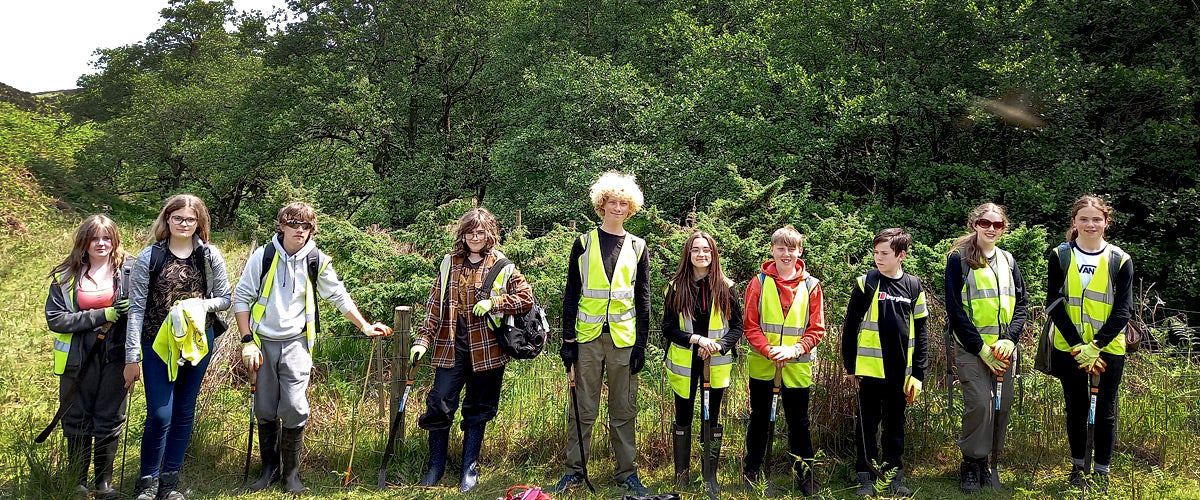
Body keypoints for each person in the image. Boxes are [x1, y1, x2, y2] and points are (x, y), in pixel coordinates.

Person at [233, 202, 394, 494]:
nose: (300, 230)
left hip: (296, 342)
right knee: (265, 408)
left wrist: (365, 326)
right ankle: (269, 470)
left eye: (306, 226)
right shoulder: (263, 256)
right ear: (281, 225)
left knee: (294, 406)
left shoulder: (316, 259)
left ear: (312, 229)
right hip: (261, 342)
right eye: (293, 224)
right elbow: (241, 298)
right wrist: (247, 341)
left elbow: (339, 296)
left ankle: (290, 475)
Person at [409, 207, 534, 493]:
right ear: (462, 235)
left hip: (488, 350)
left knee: (479, 409)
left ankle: (469, 468)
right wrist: (422, 340)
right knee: (439, 403)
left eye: (480, 233)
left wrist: (496, 303)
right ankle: (436, 467)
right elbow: (433, 305)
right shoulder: (449, 263)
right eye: (470, 233)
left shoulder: (502, 265)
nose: (475, 238)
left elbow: (526, 298)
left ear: (489, 234)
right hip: (450, 347)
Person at [124, 194, 231, 500]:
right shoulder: (150, 257)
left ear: (200, 222)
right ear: (167, 219)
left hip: (197, 342)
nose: (184, 224)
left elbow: (225, 298)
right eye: (178, 218)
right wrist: (132, 357)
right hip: (156, 343)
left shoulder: (209, 255)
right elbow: (136, 308)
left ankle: (169, 484)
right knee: (160, 414)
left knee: (184, 411)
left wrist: (200, 305)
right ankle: (147, 483)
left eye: (190, 219)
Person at [553, 172, 652, 495]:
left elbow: (644, 299)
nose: (618, 208)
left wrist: (641, 345)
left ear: (631, 207)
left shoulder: (638, 247)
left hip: (624, 340)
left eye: (624, 203)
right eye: (612, 202)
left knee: (623, 410)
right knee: (583, 409)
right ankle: (574, 471)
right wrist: (568, 342)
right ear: (602, 204)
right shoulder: (583, 243)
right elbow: (571, 294)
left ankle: (626, 473)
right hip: (587, 339)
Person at [1046, 195, 1133, 493]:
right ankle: (1077, 467)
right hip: (1069, 348)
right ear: (1074, 222)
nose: (1090, 224)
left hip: (1108, 349)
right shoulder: (1060, 255)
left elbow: (1124, 308)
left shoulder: (1120, 260)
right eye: (1084, 219)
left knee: (1106, 410)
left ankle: (1102, 472)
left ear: (1106, 222)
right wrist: (1077, 345)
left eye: (1097, 219)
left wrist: (1096, 345)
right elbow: (1054, 303)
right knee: (1077, 408)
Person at [44, 215, 134, 500]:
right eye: (94, 238)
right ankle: (78, 482)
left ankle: (103, 484)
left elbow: (145, 309)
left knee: (110, 416)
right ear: (84, 241)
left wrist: (135, 307)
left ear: (115, 241)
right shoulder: (66, 275)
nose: (101, 244)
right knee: (76, 417)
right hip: (77, 356)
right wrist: (101, 315)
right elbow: (56, 319)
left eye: (107, 238)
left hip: (117, 353)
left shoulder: (130, 270)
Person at [943, 202, 1028, 493]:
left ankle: (990, 463)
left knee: (1000, 407)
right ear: (974, 224)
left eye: (997, 224)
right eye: (985, 223)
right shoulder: (958, 259)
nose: (991, 229)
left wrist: (1010, 340)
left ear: (1004, 228)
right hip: (972, 347)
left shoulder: (1008, 260)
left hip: (1004, 349)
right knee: (980, 404)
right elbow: (955, 309)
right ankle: (971, 462)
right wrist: (981, 349)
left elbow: (1022, 306)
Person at [841, 228, 928, 497]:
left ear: (901, 255)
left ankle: (893, 476)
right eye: (876, 252)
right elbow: (849, 328)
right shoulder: (865, 283)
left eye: (884, 253)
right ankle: (865, 476)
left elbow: (922, 332)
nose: (878, 258)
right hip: (868, 370)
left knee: (895, 424)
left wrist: (919, 373)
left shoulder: (913, 286)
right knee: (866, 424)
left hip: (901, 373)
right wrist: (850, 367)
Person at [742, 225, 826, 496]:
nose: (786, 254)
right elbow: (750, 325)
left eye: (791, 248)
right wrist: (769, 350)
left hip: (797, 367)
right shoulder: (759, 282)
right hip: (763, 366)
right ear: (772, 250)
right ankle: (752, 470)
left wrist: (794, 349)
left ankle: (805, 474)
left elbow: (817, 328)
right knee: (759, 419)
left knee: (799, 423)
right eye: (781, 248)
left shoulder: (812, 286)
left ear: (799, 251)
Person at [662, 232, 744, 495]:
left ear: (713, 254)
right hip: (685, 364)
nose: (701, 255)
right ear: (688, 254)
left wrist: (718, 345)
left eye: (706, 250)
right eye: (696, 250)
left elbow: (737, 327)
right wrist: (696, 339)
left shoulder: (727, 287)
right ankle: (682, 475)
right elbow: (668, 328)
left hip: (716, 363)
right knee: (683, 416)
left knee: (712, 418)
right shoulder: (675, 287)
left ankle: (710, 476)